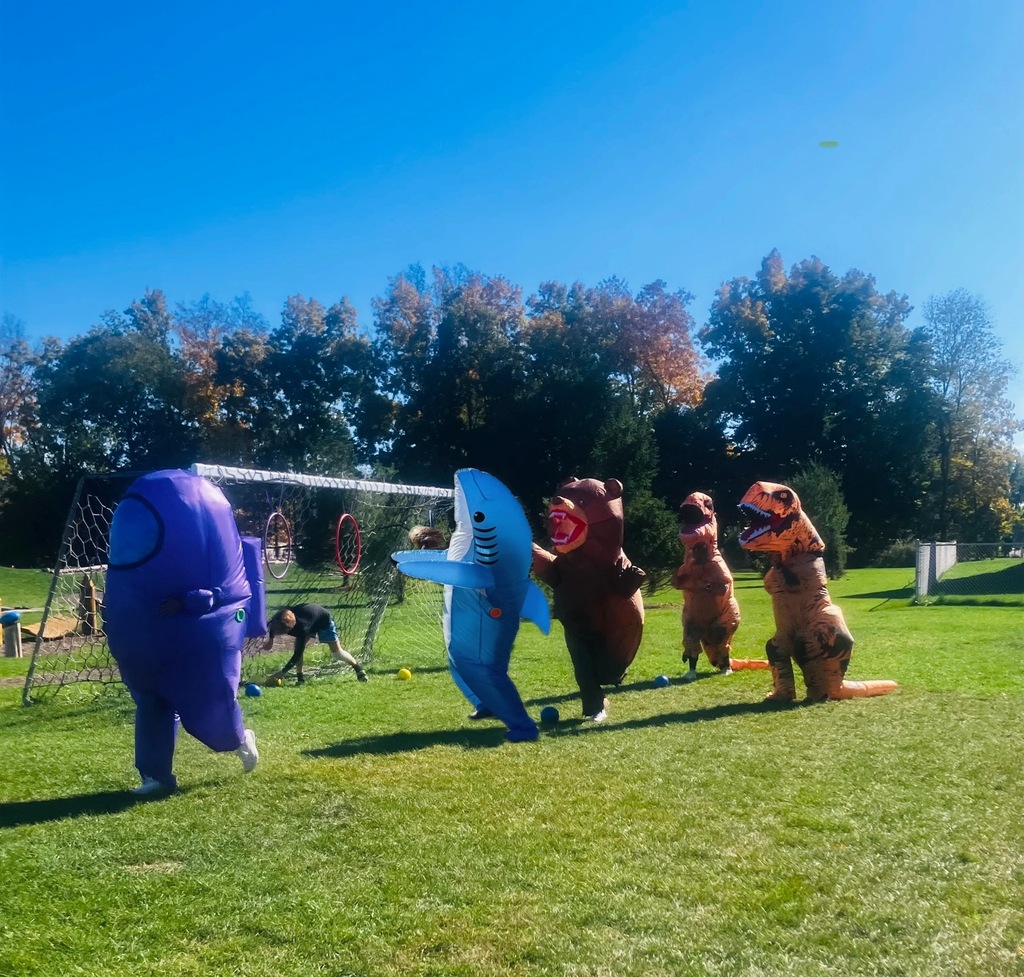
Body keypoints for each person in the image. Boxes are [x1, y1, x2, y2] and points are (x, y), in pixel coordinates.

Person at [103, 469, 261, 796]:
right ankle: (156, 776)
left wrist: (195, 600)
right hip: (144, 636)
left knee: (210, 709)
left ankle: (239, 738)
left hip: (198, 633)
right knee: (152, 703)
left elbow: (222, 589)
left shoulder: (207, 506)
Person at [264, 603, 368, 684]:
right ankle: (300, 679)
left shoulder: (302, 628)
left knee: (337, 652)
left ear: (290, 628)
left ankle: (358, 669)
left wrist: (283, 672)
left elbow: (297, 654)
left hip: (323, 621)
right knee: (298, 647)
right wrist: (271, 640)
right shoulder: (280, 617)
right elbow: (273, 626)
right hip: (310, 618)